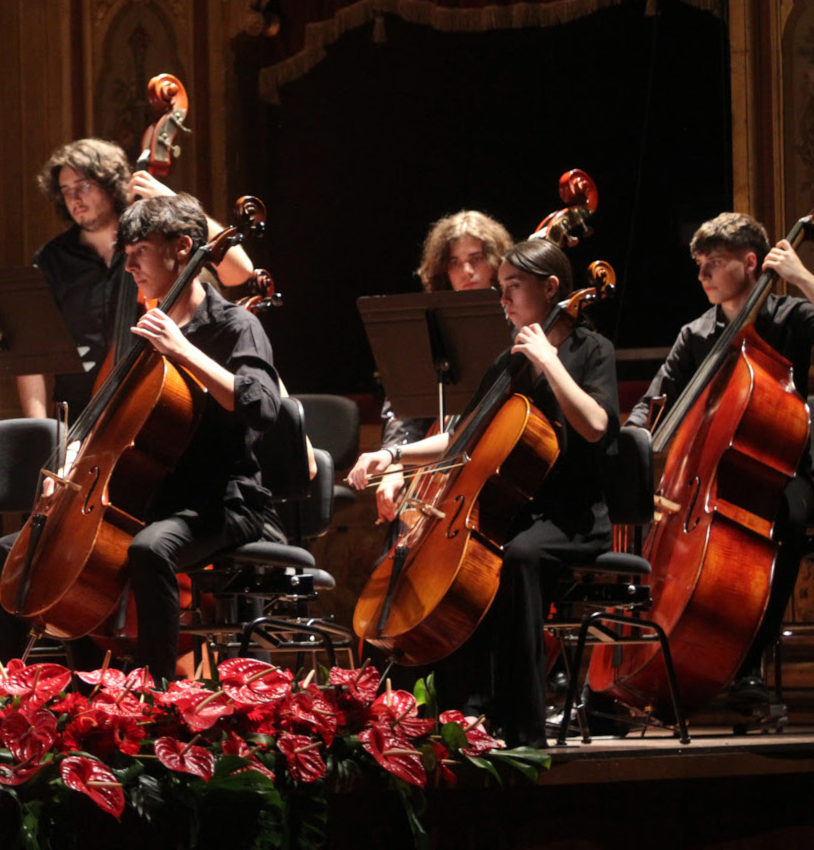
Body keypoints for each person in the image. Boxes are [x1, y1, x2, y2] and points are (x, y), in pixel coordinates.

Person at [0, 193, 281, 684]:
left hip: (222, 501)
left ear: (183, 248)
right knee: (14, 551)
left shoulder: (233, 325)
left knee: (148, 550)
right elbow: (112, 422)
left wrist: (183, 350)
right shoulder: (146, 331)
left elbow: (262, 408)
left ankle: (155, 694)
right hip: (147, 499)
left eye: (140, 249)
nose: (128, 263)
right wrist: (75, 457)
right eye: (127, 249)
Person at [348, 238, 618, 747]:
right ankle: (455, 713)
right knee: (465, 565)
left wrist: (549, 360)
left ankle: (523, 730)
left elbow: (596, 425)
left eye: (513, 288)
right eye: (502, 290)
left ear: (551, 288)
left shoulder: (589, 350)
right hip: (514, 511)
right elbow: (461, 437)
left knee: (517, 559)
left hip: (571, 518)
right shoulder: (509, 360)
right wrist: (393, 456)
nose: (504, 301)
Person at [626, 212, 814, 703]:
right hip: (706, 477)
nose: (702, 274)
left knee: (788, 519)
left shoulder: (793, 319)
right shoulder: (696, 334)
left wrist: (801, 278)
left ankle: (749, 661)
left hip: (783, 468)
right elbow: (651, 404)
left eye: (714, 263)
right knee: (650, 526)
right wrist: (634, 444)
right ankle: (651, 658)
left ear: (751, 263)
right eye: (699, 264)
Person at [16, 138, 256, 421]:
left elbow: (240, 271)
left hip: (155, 403)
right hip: (78, 414)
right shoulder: (51, 259)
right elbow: (31, 355)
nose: (74, 199)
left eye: (83, 185)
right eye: (66, 190)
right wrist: (40, 432)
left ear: (110, 184)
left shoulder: (153, 244)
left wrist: (172, 202)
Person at [373, 211, 513, 523]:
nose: (466, 270)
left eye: (476, 258)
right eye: (454, 262)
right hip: (434, 476)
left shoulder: (517, 325)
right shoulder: (430, 329)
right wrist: (394, 465)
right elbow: (404, 408)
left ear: (496, 261)